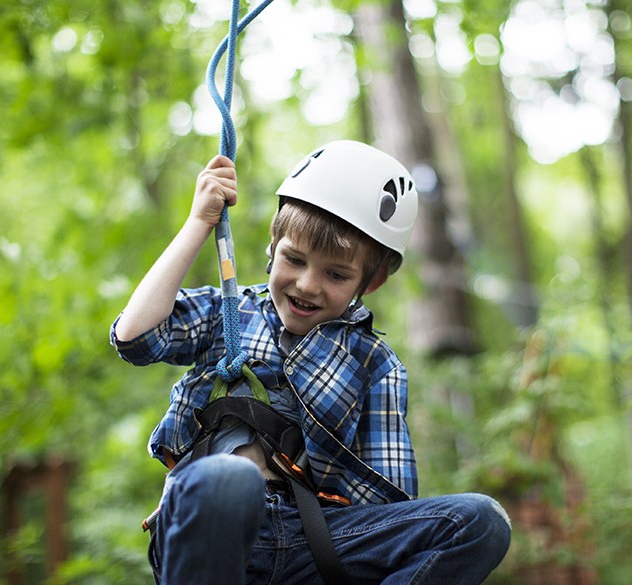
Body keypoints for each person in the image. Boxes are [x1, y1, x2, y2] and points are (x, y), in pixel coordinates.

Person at [111, 140, 511, 584]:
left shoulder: (375, 364)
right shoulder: (231, 314)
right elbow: (137, 337)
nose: (307, 284)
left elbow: (387, 506)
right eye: (294, 259)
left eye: (336, 274)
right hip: (213, 523)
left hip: (314, 540)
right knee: (231, 481)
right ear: (272, 246)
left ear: (371, 282)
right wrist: (198, 223)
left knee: (480, 521)